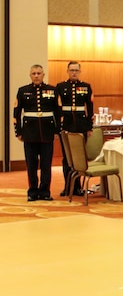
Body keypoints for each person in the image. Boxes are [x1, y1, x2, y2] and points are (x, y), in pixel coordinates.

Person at [13, 64, 60, 202]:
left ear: (43, 75)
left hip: (47, 132)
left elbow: (58, 112)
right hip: (29, 133)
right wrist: (18, 132)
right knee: (31, 164)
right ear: (30, 75)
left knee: (46, 164)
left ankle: (45, 191)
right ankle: (32, 191)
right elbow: (16, 113)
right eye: (34, 73)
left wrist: (57, 131)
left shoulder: (52, 90)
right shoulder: (23, 91)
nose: (36, 76)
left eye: (39, 73)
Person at [55, 61, 94, 196]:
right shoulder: (60, 87)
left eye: (76, 70)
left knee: (79, 157)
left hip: (81, 125)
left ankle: (78, 187)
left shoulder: (86, 87)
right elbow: (57, 108)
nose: (74, 73)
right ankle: (68, 186)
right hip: (66, 124)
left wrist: (89, 127)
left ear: (80, 71)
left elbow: (89, 107)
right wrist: (58, 127)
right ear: (67, 71)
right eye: (71, 70)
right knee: (67, 158)